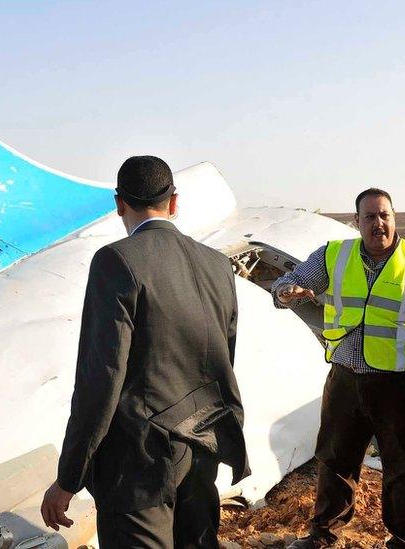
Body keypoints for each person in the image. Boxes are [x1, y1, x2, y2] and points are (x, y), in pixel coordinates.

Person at [39, 156, 249, 548]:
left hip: (139, 464)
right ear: (174, 202)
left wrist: (69, 477)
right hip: (202, 450)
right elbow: (224, 356)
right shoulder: (218, 265)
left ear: (120, 204)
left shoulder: (116, 261)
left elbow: (101, 378)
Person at [274, 188, 405, 549]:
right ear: (357, 222)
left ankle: (404, 540)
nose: (378, 224)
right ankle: (323, 534)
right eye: (370, 217)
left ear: (395, 217)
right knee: (334, 459)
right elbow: (289, 283)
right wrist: (288, 291)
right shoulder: (335, 255)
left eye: (385, 216)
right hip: (346, 379)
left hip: (401, 385)